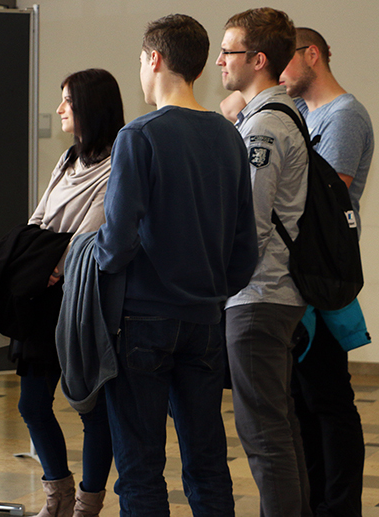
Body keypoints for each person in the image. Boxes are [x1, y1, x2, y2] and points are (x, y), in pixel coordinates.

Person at [93, 14, 258, 515]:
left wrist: (90, 259)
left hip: (143, 321)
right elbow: (245, 249)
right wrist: (210, 293)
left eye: (140, 61)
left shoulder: (139, 136)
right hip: (206, 321)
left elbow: (117, 241)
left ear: (155, 59)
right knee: (207, 462)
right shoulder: (229, 136)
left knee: (141, 469)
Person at [216, 8, 312, 516]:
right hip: (270, 293)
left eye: (228, 52)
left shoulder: (265, 127)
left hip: (257, 296)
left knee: (264, 435)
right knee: (278, 426)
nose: (219, 62)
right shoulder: (271, 115)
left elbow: (247, 225)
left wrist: (214, 286)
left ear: (257, 59)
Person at [18, 68, 123, 517]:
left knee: (89, 404)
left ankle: (88, 501)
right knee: (32, 403)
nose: (60, 109)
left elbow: (86, 238)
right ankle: (56, 492)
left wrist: (49, 266)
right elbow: (39, 219)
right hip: (41, 299)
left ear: (90, 108)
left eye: (67, 101)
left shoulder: (119, 163)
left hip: (81, 299)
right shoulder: (68, 159)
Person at [281, 28, 373, 517]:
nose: (278, 72)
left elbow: (320, 198)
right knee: (301, 404)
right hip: (298, 282)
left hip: (324, 281)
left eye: (284, 60)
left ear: (310, 55)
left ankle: (339, 508)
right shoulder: (300, 115)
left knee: (329, 402)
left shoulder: (344, 116)